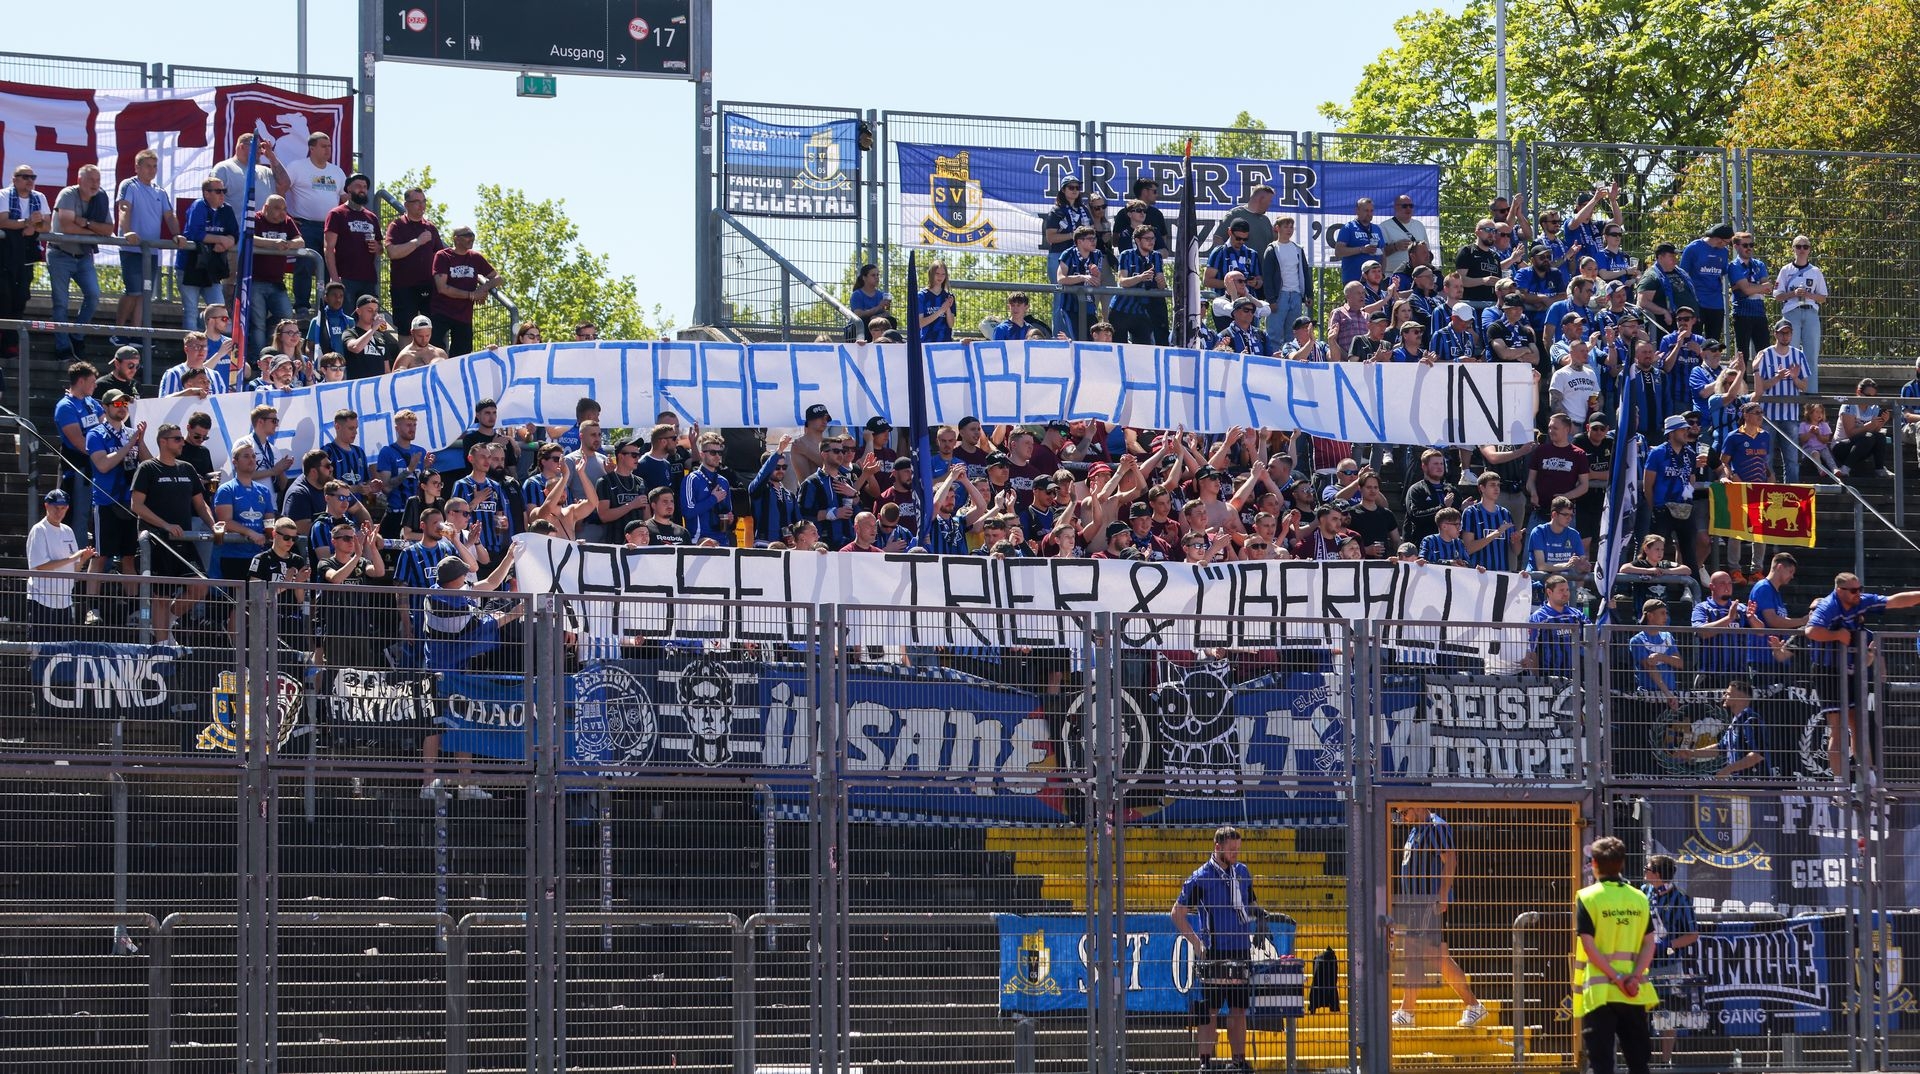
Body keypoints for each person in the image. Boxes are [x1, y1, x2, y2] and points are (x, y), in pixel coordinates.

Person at [1804, 573, 1920, 782]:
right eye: (1853, 590)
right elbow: (1811, 631)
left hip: (1851, 671)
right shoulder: (1829, 606)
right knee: (1837, 727)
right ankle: (1839, 786)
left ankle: (1869, 782)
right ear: (1839, 590)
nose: (1858, 593)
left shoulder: (1861, 601)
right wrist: (1836, 635)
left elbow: (1894, 601)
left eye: (1860, 589)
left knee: (1858, 725)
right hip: (1827, 671)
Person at [1171, 826, 1266, 1074]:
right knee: (1209, 1010)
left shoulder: (1242, 872)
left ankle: (1238, 1061)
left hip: (1241, 951)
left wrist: (1261, 919)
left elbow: (1251, 904)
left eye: (1238, 849)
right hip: (1214, 953)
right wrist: (1197, 944)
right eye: (1231, 849)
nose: (1235, 854)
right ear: (1218, 847)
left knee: (1239, 1010)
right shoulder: (1200, 878)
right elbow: (1177, 914)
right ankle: (1205, 1063)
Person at [1391, 807, 1486, 1028]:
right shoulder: (1415, 830)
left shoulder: (1436, 826)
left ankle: (1408, 1011)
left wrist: (1443, 894)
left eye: (1404, 812)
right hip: (1416, 903)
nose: (1403, 817)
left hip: (1428, 901)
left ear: (1416, 806)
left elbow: (1450, 859)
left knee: (1418, 952)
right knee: (1433, 956)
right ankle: (1472, 1005)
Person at [130, 423, 223, 644]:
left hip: (183, 540)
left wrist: (214, 525)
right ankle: (163, 646)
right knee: (161, 597)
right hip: (157, 541)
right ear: (163, 441)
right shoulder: (147, 468)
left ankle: (166, 623)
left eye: (181, 438)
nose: (182, 442)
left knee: (200, 587)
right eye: (177, 439)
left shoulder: (187, 468)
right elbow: (136, 505)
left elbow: (200, 504)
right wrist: (165, 525)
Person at [1574, 836, 1658, 1074]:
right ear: (1622, 863)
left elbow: (1589, 945)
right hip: (1633, 992)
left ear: (1594, 864)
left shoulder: (1588, 897)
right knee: (1638, 1063)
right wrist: (1633, 977)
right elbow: (1649, 943)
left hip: (1600, 994)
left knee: (1602, 1064)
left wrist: (1616, 977)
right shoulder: (1639, 897)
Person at [112, 149, 180, 343]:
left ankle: (137, 333)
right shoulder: (129, 185)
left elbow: (169, 215)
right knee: (133, 291)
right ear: (137, 167)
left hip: (151, 251)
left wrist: (177, 234)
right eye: (148, 166)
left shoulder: (160, 191)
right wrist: (127, 231)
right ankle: (118, 331)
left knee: (144, 293)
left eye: (154, 166)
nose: (152, 170)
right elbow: (124, 208)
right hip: (132, 249)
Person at [49, 164, 116, 356]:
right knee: (61, 302)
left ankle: (77, 336)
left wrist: (86, 222)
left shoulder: (100, 197)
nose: (95, 184)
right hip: (60, 254)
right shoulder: (68, 194)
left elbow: (108, 229)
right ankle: (62, 347)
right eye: (90, 180)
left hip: (83, 256)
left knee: (93, 295)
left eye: (98, 180)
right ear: (79, 181)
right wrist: (94, 232)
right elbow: (67, 227)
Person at [26, 489, 93, 642]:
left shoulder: (68, 531)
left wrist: (83, 559)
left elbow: (74, 570)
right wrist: (72, 557)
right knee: (40, 649)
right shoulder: (39, 530)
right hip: (42, 600)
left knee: (64, 651)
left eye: (63, 508)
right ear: (46, 506)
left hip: (64, 601)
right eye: (56, 507)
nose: (59, 512)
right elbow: (40, 566)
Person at [1642, 415, 1703, 580]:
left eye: (1686, 429)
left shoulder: (1690, 453)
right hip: (1662, 509)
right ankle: (1648, 586)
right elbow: (1648, 485)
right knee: (1654, 550)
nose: (1686, 432)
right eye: (1682, 429)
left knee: (1689, 552)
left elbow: (1691, 480)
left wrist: (1686, 500)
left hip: (1685, 510)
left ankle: (1693, 589)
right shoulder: (1657, 453)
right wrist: (1655, 507)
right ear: (1671, 433)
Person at [0, 163, 51, 355]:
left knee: (20, 298)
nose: (30, 180)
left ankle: (11, 343)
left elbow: (47, 226)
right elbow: (2, 221)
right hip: (5, 256)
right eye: (25, 176)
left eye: (32, 177)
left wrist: (33, 227)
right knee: (4, 297)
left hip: (26, 256)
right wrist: (27, 222)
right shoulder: (4, 195)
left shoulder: (39, 197)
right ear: (14, 179)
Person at [431, 226, 496, 358]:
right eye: (467, 235)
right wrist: (471, 295)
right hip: (441, 312)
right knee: (435, 351)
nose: (471, 238)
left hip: (464, 315)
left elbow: (497, 277)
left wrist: (482, 289)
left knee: (462, 355)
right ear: (456, 239)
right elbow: (442, 288)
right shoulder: (443, 256)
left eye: (472, 235)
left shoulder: (475, 257)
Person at [1772, 235, 1827, 392]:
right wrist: (1793, 293)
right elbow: (1777, 295)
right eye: (1798, 246)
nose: (1802, 250)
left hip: (1810, 313)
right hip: (1791, 313)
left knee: (1811, 356)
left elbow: (1823, 297)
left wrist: (1808, 295)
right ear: (1793, 249)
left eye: (1805, 247)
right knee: (1791, 354)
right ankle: (1791, 393)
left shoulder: (1815, 271)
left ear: (1809, 250)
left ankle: (1811, 394)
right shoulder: (1786, 270)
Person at [323, 172, 380, 308]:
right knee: (346, 318)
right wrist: (334, 279)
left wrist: (377, 247)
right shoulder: (336, 214)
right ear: (348, 188)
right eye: (358, 186)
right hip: (345, 278)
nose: (362, 190)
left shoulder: (372, 217)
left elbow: (380, 248)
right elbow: (328, 248)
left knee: (368, 318)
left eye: (365, 187)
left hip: (368, 279)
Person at [1835, 377, 1895, 480]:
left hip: (1861, 447)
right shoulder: (1849, 405)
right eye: (1868, 396)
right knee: (1868, 437)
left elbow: (1874, 433)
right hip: (1841, 447)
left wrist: (1882, 421)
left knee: (1880, 436)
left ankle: (1880, 469)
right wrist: (1869, 425)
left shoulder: (1874, 407)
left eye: (1874, 396)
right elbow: (1850, 433)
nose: (1871, 399)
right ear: (1859, 392)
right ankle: (1845, 468)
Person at [1630, 600, 1684, 710]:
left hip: (1671, 695)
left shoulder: (1668, 636)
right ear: (1650, 616)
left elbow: (1679, 663)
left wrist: (1661, 657)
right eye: (1662, 613)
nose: (1666, 617)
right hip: (1648, 697)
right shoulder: (1637, 640)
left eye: (1666, 613)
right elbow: (1650, 669)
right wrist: (1667, 693)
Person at [342, 295, 402, 380]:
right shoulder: (350, 333)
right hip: (359, 384)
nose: (374, 314)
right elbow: (355, 347)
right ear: (359, 311)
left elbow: (386, 369)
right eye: (370, 310)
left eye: (376, 311)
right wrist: (373, 329)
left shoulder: (381, 337)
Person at [917, 261, 954, 343]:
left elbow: (951, 324)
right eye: (937, 273)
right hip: (926, 341)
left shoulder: (949, 296)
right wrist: (941, 310)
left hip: (945, 341)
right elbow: (920, 323)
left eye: (943, 274)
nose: (940, 277)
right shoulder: (921, 296)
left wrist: (947, 308)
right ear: (931, 274)